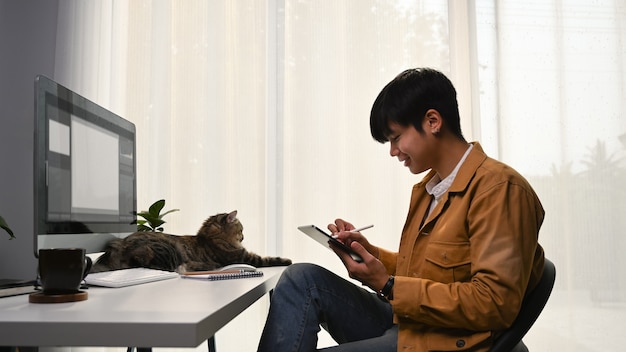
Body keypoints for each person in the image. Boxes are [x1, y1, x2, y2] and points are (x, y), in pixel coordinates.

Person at [257, 68, 545, 352]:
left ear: (433, 121)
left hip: (449, 341)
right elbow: (427, 273)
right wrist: (370, 254)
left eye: (395, 138)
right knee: (301, 279)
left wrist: (387, 285)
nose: (393, 151)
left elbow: (494, 303)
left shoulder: (499, 189)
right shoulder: (429, 189)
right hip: (413, 323)